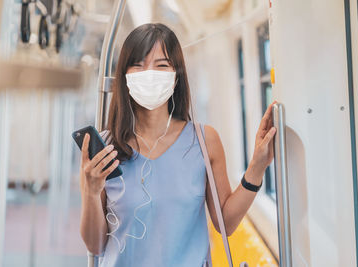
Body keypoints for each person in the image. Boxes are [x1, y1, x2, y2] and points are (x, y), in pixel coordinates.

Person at [79, 23, 277, 267]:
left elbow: (224, 225)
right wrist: (90, 191)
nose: (149, 73)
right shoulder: (104, 148)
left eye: (161, 65)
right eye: (138, 64)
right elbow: (95, 245)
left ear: (176, 77)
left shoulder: (204, 141)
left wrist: (257, 167)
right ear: (125, 76)